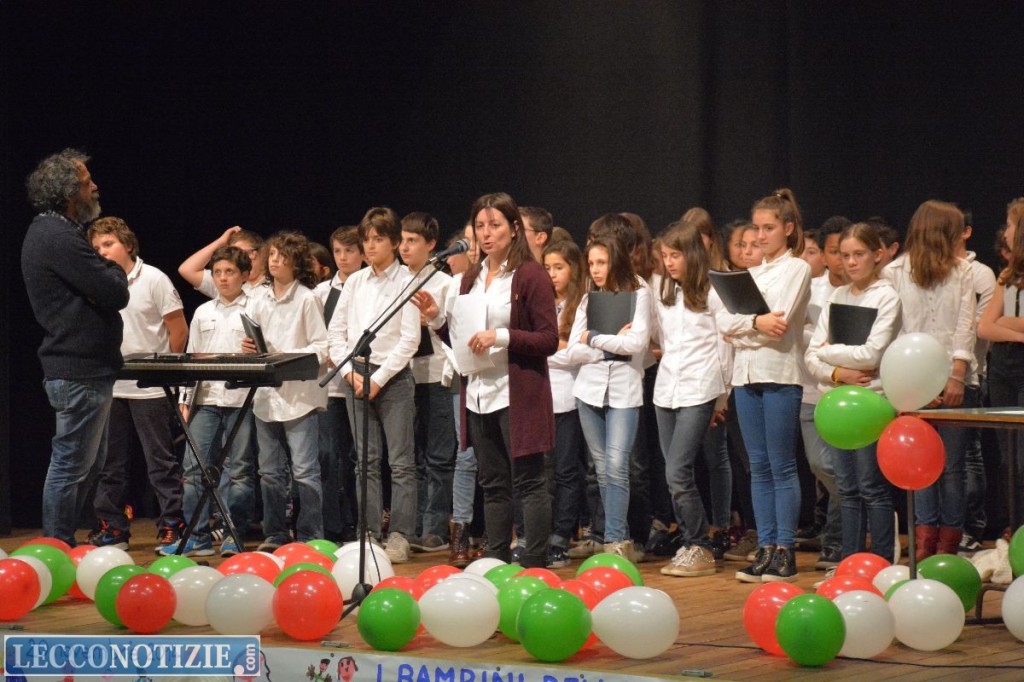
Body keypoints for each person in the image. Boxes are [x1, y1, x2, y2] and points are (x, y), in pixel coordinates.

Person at [415, 192, 558, 568]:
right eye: (480, 226)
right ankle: (495, 559)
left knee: (529, 481)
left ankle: (535, 562)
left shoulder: (530, 275)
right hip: (479, 393)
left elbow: (548, 339)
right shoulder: (470, 278)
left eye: (494, 225)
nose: (486, 233)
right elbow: (463, 340)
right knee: (493, 483)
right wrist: (437, 319)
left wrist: (502, 336)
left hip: (517, 393)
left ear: (514, 229)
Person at [22, 149, 129, 546]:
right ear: (69, 192)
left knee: (86, 464)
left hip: (85, 369)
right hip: (78, 370)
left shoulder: (58, 233)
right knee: (71, 465)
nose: (94, 186)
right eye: (87, 183)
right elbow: (115, 292)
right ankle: (57, 545)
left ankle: (62, 542)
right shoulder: (58, 236)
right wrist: (114, 266)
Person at [716, 188, 811, 583]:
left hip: (780, 375)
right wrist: (755, 323)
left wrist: (746, 330)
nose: (759, 236)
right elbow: (724, 323)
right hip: (746, 377)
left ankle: (785, 549)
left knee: (781, 464)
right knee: (757, 466)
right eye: (756, 228)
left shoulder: (797, 269)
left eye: (768, 228)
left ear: (787, 229)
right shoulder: (749, 274)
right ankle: (766, 547)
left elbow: (781, 323)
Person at [882, 200, 977, 560]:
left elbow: (965, 326)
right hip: (912, 382)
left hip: (954, 378)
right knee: (921, 465)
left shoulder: (962, 271)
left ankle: (948, 545)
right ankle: (923, 543)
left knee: (952, 466)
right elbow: (893, 331)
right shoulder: (894, 272)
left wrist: (956, 376)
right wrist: (913, 387)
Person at [87, 217, 188, 550]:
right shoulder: (99, 283)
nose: (102, 251)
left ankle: (172, 523)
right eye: (96, 247)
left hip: (150, 386)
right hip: (112, 385)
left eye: (108, 244)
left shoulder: (154, 279)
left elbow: (178, 329)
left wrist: (167, 373)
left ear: (128, 245)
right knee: (110, 463)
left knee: (160, 461)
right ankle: (113, 527)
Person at [805, 222, 901, 562]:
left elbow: (872, 354)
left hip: (871, 402)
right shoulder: (837, 296)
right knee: (846, 488)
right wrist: (838, 372)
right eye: (845, 256)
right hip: (837, 401)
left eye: (858, 254)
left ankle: (881, 561)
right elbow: (811, 355)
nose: (851, 262)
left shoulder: (887, 296)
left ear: (877, 255)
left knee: (871, 486)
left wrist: (830, 351)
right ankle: (850, 561)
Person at [328, 208, 420, 562]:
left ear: (395, 243)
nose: (370, 246)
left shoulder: (408, 280)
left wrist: (378, 380)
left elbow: (409, 340)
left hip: (392, 379)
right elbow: (336, 334)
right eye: (366, 240)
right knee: (364, 461)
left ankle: (400, 534)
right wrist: (349, 374)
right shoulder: (355, 282)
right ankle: (367, 532)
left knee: (401, 462)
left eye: (378, 239)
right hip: (355, 374)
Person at [159, 245, 256, 557]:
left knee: (239, 470)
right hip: (207, 399)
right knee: (193, 466)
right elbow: (192, 360)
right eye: (218, 272)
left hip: (242, 399)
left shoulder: (256, 307)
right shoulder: (203, 311)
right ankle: (196, 535)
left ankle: (233, 532)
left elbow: (268, 351)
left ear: (245, 275)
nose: (223, 278)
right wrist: (185, 399)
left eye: (230, 272)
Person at [567, 219, 652, 563]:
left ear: (615, 260)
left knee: (617, 464)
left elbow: (636, 343)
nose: (596, 269)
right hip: (588, 389)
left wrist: (593, 338)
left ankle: (616, 539)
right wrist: (606, 345)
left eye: (601, 262)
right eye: (591, 263)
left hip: (624, 390)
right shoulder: (589, 296)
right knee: (602, 467)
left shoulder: (639, 292)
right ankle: (615, 536)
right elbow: (571, 350)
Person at [654, 223, 732, 577]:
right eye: (665, 256)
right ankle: (689, 543)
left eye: (676, 255)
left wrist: (722, 397)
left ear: (693, 254)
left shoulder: (713, 293)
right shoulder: (666, 294)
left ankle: (700, 544)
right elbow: (663, 341)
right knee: (672, 474)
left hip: (700, 388)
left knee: (678, 470)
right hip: (666, 389)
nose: (670, 262)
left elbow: (724, 348)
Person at [244, 231, 329, 548]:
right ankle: (275, 533)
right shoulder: (258, 298)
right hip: (266, 396)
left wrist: (285, 356)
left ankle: (309, 536)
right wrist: (249, 348)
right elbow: (253, 343)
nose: (275, 260)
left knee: (305, 471)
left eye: (283, 256)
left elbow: (322, 348)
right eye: (272, 254)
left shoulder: (306, 298)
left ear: (296, 262)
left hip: (298, 397)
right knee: (269, 472)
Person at [399, 211, 456, 554]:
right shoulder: (396, 281)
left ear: (431, 244)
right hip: (402, 376)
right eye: (402, 240)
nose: (404, 247)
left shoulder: (444, 283)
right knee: (412, 456)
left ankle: (435, 528)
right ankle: (413, 525)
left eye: (413, 240)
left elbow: (453, 332)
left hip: (435, 375)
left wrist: (432, 319)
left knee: (437, 456)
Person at [542, 238, 588, 567]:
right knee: (542, 473)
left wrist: (551, 349)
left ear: (573, 269)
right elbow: (528, 348)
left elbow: (577, 354)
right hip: (540, 398)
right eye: (547, 267)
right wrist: (556, 347)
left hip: (570, 398)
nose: (552, 274)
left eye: (559, 267)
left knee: (567, 471)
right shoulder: (539, 303)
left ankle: (561, 536)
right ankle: (539, 535)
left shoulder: (582, 303)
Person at [315, 226, 363, 542]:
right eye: (337, 252)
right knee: (331, 457)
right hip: (331, 385)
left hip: (360, 381)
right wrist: (328, 353)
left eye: (349, 251)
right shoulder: (321, 292)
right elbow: (317, 333)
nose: (343, 258)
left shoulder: (367, 287)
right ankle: (335, 523)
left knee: (359, 457)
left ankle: (361, 521)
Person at [179, 226, 267, 298]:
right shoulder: (226, 281)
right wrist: (220, 242)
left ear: (261, 252)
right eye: (232, 255)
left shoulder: (274, 282)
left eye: (242, 253)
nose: (238, 260)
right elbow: (187, 269)